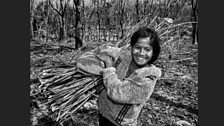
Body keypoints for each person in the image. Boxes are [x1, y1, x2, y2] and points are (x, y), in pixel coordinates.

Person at [96, 27, 162, 126]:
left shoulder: (148, 80)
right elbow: (110, 50)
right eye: (137, 47)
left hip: (119, 123)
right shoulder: (125, 57)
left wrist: (109, 66)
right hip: (103, 113)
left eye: (147, 49)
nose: (141, 53)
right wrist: (101, 53)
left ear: (153, 53)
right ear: (131, 47)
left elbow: (118, 93)